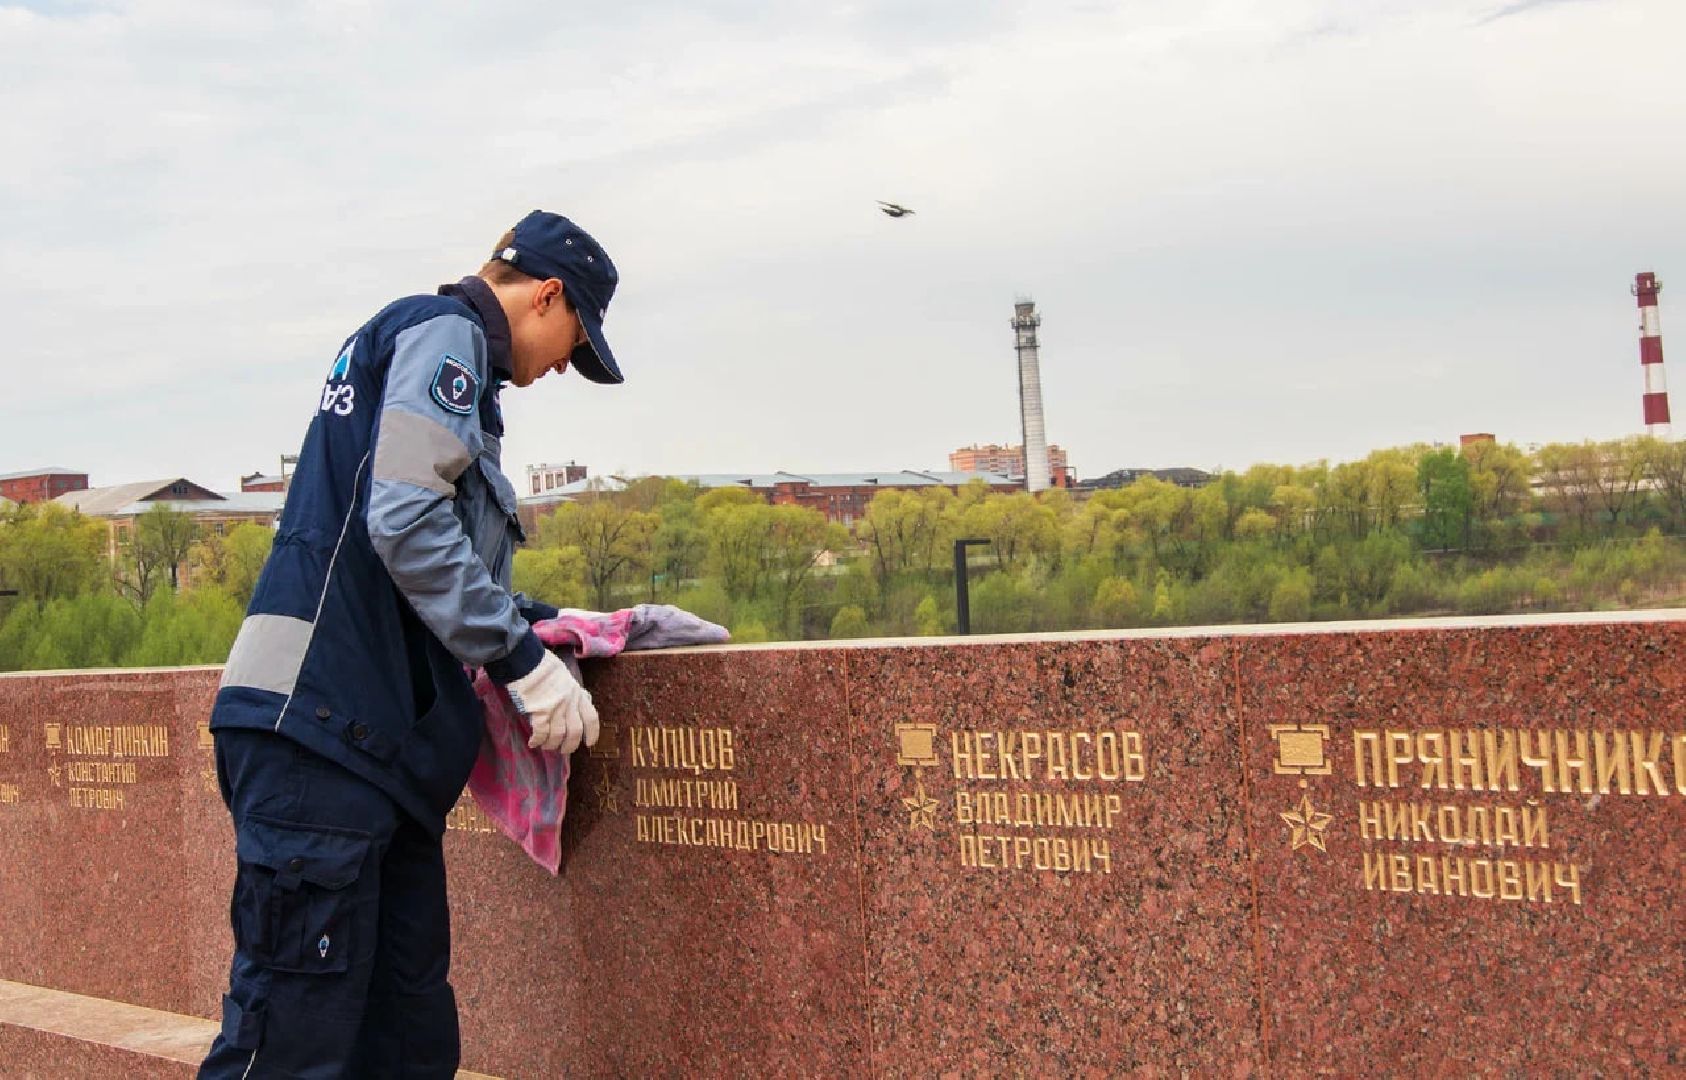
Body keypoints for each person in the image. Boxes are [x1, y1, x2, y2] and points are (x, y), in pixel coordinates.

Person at [200, 211, 622, 1078]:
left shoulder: (414, 342)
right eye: (571, 344)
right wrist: (518, 659)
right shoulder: (447, 336)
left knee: (405, 1039)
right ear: (545, 295)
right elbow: (408, 520)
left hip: (368, 750)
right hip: (320, 737)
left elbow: (409, 545)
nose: (556, 374)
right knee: (290, 1048)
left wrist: (536, 622)